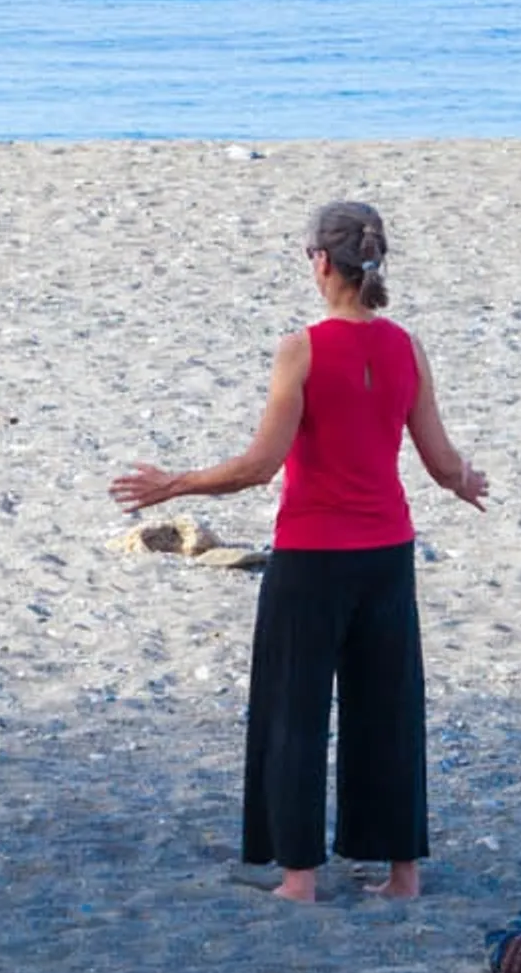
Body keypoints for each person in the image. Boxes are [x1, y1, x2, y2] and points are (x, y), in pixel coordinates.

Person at [113, 201, 484, 903]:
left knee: (294, 710)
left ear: (320, 262)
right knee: (388, 710)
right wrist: (465, 481)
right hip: (387, 555)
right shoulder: (406, 347)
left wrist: (174, 484)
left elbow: (260, 465)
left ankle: (298, 878)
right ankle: (402, 875)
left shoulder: (302, 349)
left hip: (313, 557)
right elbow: (440, 462)